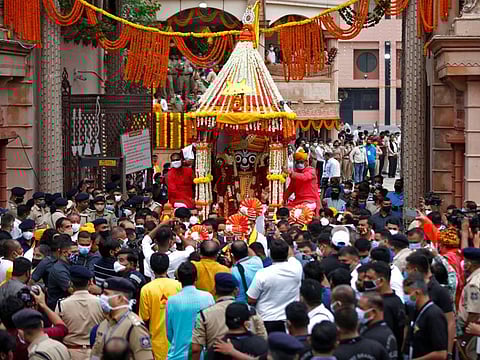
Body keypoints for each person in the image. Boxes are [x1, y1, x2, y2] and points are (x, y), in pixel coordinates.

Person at [192, 273, 267, 360]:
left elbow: (196, 349)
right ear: (236, 290)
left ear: (215, 290)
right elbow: (263, 337)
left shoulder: (204, 315)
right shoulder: (250, 311)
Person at [247, 238, 303, 333]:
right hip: (289, 319)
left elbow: (251, 298)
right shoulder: (296, 268)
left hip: (267, 320)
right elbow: (291, 254)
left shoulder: (262, 273)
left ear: (270, 255)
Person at [405, 252, 455, 356]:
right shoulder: (414, 287)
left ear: (415, 270)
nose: (406, 272)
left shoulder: (439, 291)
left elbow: (450, 322)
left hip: (432, 347)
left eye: (407, 268)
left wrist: (449, 352)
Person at [166, 262, 214, 360]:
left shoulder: (172, 301)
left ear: (178, 279)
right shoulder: (208, 297)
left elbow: (169, 333)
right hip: (202, 354)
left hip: (177, 355)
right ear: (196, 277)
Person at [56, 266, 104, 360]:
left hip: (70, 353)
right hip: (95, 352)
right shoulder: (100, 303)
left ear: (70, 283)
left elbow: (57, 331)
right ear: (90, 282)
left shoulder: (62, 304)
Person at [139, 253, 181, 360]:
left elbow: (143, 318)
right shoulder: (178, 286)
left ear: (151, 268)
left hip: (157, 342)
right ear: (168, 266)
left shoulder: (146, 289)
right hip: (178, 340)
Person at [403, 272, 448, 360]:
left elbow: (441, 354)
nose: (405, 297)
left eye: (407, 293)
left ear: (417, 293)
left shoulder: (434, 315)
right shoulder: (415, 311)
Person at [364, 261, 405, 348]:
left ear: (381, 280)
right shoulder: (397, 300)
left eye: (369, 278)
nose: (365, 280)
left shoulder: (383, 306)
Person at [358, 292, 398, 360]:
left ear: (373, 312)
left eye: (361, 309)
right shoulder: (385, 330)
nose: (358, 312)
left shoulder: (374, 337)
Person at [283, 149, 321, 215]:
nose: (299, 164)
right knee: (284, 211)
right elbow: (290, 189)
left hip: (310, 201)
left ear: (306, 162)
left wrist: (290, 173)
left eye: (301, 162)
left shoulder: (311, 171)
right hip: (297, 201)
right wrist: (282, 200)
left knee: (298, 213)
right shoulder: (295, 174)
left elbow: (304, 177)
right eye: (297, 162)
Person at [47, 236, 77, 310]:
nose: (77, 254)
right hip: (57, 308)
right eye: (73, 252)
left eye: (77, 251)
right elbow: (72, 291)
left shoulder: (70, 264)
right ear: (64, 253)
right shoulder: (59, 270)